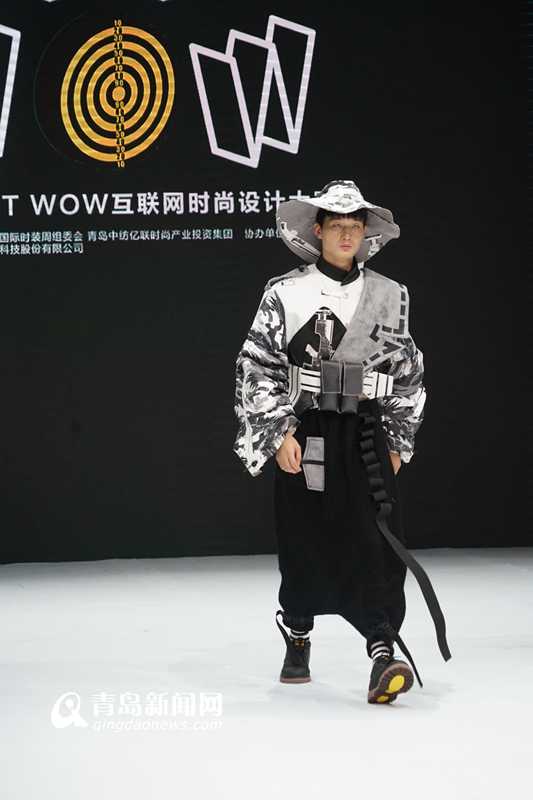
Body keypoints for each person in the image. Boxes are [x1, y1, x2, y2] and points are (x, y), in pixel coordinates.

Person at [233, 179, 451, 704]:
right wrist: (277, 431)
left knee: (377, 538)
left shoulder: (389, 295)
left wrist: (398, 440)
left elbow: (408, 370)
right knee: (304, 536)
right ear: (319, 230)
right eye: (337, 225)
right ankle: (298, 635)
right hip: (307, 430)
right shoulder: (285, 293)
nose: (347, 234)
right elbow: (257, 365)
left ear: (365, 233)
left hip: (368, 432)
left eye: (355, 225)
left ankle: (382, 649)